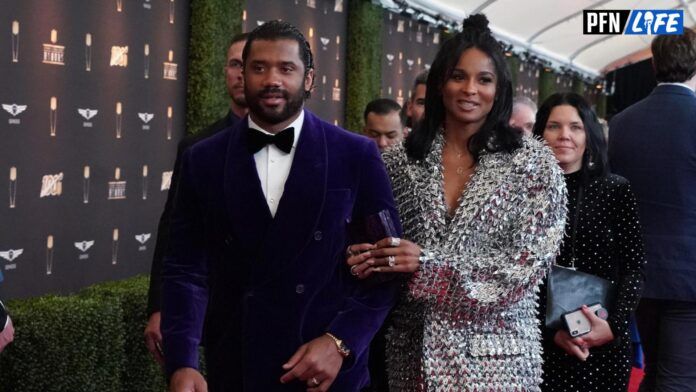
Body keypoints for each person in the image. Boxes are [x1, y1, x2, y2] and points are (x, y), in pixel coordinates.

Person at [161, 20, 400, 392]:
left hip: (327, 374)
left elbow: (386, 268)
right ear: (243, 74)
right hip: (237, 368)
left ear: (309, 79)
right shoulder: (202, 159)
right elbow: (185, 270)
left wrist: (340, 342)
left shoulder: (355, 154)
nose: (272, 79)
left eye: (286, 68)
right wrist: (182, 362)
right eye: (259, 67)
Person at [346, 14, 566, 391]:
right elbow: (374, 244)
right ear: (439, 84)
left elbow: (523, 270)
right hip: (410, 358)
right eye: (458, 76)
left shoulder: (533, 164)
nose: (470, 90)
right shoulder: (398, 162)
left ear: (500, 89)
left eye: (484, 79)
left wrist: (428, 266)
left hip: (499, 363)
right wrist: (364, 258)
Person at [144, 33, 249, 364]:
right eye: (235, 64)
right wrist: (160, 306)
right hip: (208, 310)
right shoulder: (196, 149)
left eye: (252, 65)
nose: (243, 73)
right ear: (225, 72)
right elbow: (173, 233)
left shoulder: (306, 148)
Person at [532, 92, 646, 391]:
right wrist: (552, 332)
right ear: (540, 133)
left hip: (604, 342)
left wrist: (612, 327)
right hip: (540, 342)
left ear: (589, 134)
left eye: (575, 127)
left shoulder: (615, 190)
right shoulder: (524, 194)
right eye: (554, 126)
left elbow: (635, 269)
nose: (564, 136)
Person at [608, 27, 696, 392]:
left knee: (656, 371)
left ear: (654, 63)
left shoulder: (622, 123)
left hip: (639, 272)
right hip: (690, 277)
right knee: (679, 379)